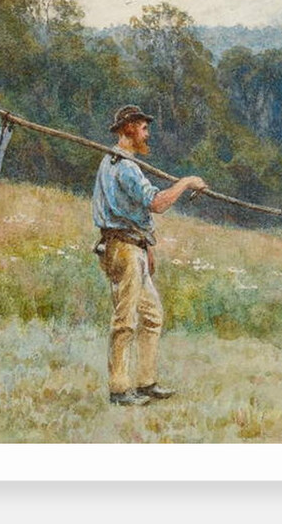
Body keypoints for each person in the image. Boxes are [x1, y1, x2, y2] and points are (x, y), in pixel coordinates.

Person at [92, 105, 207, 406]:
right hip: (124, 250)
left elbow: (135, 214)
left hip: (135, 247)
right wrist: (186, 182)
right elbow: (156, 203)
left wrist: (149, 248)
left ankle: (145, 383)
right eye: (143, 127)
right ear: (128, 128)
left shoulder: (117, 162)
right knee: (125, 320)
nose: (148, 133)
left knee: (152, 316)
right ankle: (119, 389)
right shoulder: (124, 166)